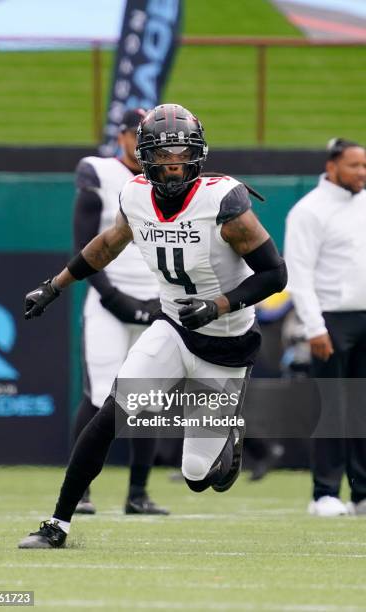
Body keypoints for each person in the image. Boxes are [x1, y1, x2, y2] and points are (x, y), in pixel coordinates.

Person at [18, 103, 287, 548]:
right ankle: (57, 525)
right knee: (113, 412)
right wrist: (54, 286)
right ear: (145, 157)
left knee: (198, 477)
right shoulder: (135, 195)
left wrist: (219, 305)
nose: (172, 163)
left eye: (180, 152)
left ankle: (229, 437)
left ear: (197, 153)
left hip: (227, 345)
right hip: (174, 330)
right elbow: (105, 244)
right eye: (161, 155)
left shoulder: (224, 202)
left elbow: (275, 275)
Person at [72, 108, 168, 516]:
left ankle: (138, 493)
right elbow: (84, 244)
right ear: (123, 136)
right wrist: (113, 297)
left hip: (156, 297)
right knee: (99, 395)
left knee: (147, 398)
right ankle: (79, 492)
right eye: (137, 135)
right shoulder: (99, 171)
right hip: (109, 299)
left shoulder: (170, 177)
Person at [284, 138, 366, 517]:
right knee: (333, 406)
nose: (362, 173)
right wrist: (314, 327)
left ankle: (362, 494)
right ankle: (325, 494)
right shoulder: (309, 211)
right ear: (333, 167)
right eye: (355, 166)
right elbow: (299, 274)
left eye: (365, 166)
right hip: (330, 320)